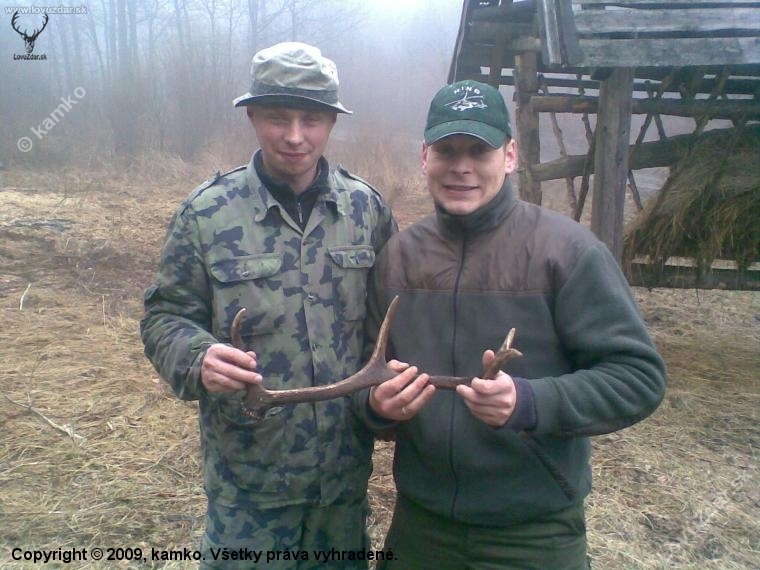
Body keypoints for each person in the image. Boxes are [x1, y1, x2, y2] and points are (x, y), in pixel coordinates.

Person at [353, 80, 667, 569]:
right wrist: (376, 405)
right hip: (420, 528)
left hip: (532, 535)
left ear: (510, 155)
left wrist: (529, 402)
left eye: (479, 151)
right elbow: (362, 377)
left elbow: (638, 378)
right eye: (447, 150)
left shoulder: (566, 252)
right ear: (425, 157)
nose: (461, 166)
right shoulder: (397, 258)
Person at [140, 42, 396, 569]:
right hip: (248, 484)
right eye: (279, 117)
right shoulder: (207, 214)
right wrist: (197, 358)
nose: (295, 136)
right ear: (253, 116)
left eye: (312, 119)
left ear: (332, 122)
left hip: (342, 483)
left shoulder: (366, 210)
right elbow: (165, 316)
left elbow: (391, 323)